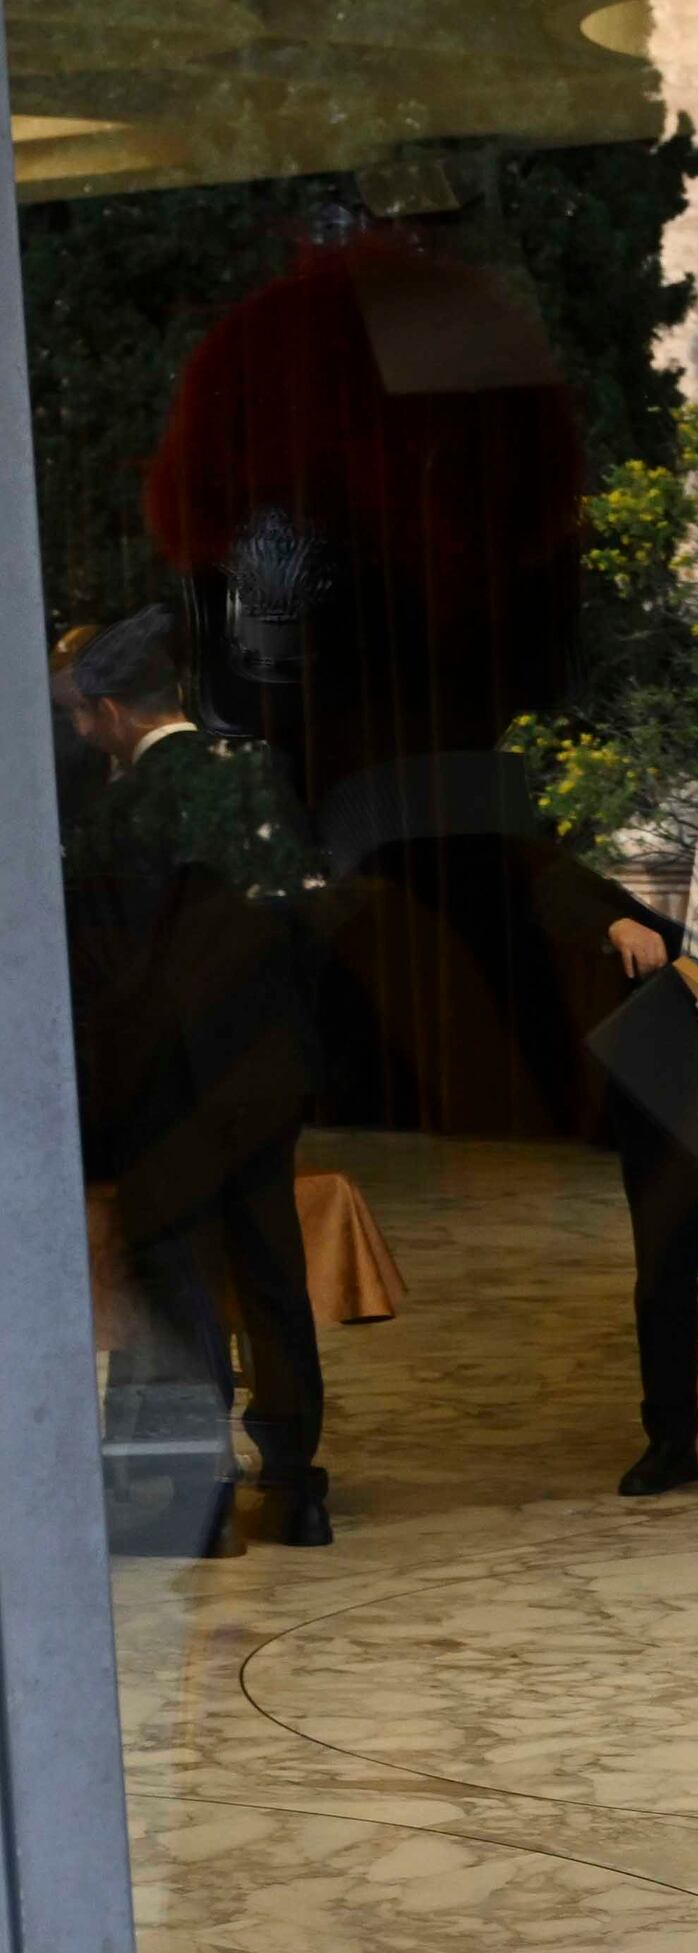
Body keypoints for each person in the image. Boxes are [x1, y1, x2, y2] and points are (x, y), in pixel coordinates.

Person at [61, 606, 327, 1547]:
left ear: (110, 714)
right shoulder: (256, 771)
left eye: (81, 719)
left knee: (174, 1283)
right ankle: (298, 1488)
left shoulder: (122, 810)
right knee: (269, 1271)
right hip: (265, 1069)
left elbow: (96, 967)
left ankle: (200, 1499)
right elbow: (303, 915)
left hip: (166, 1085)